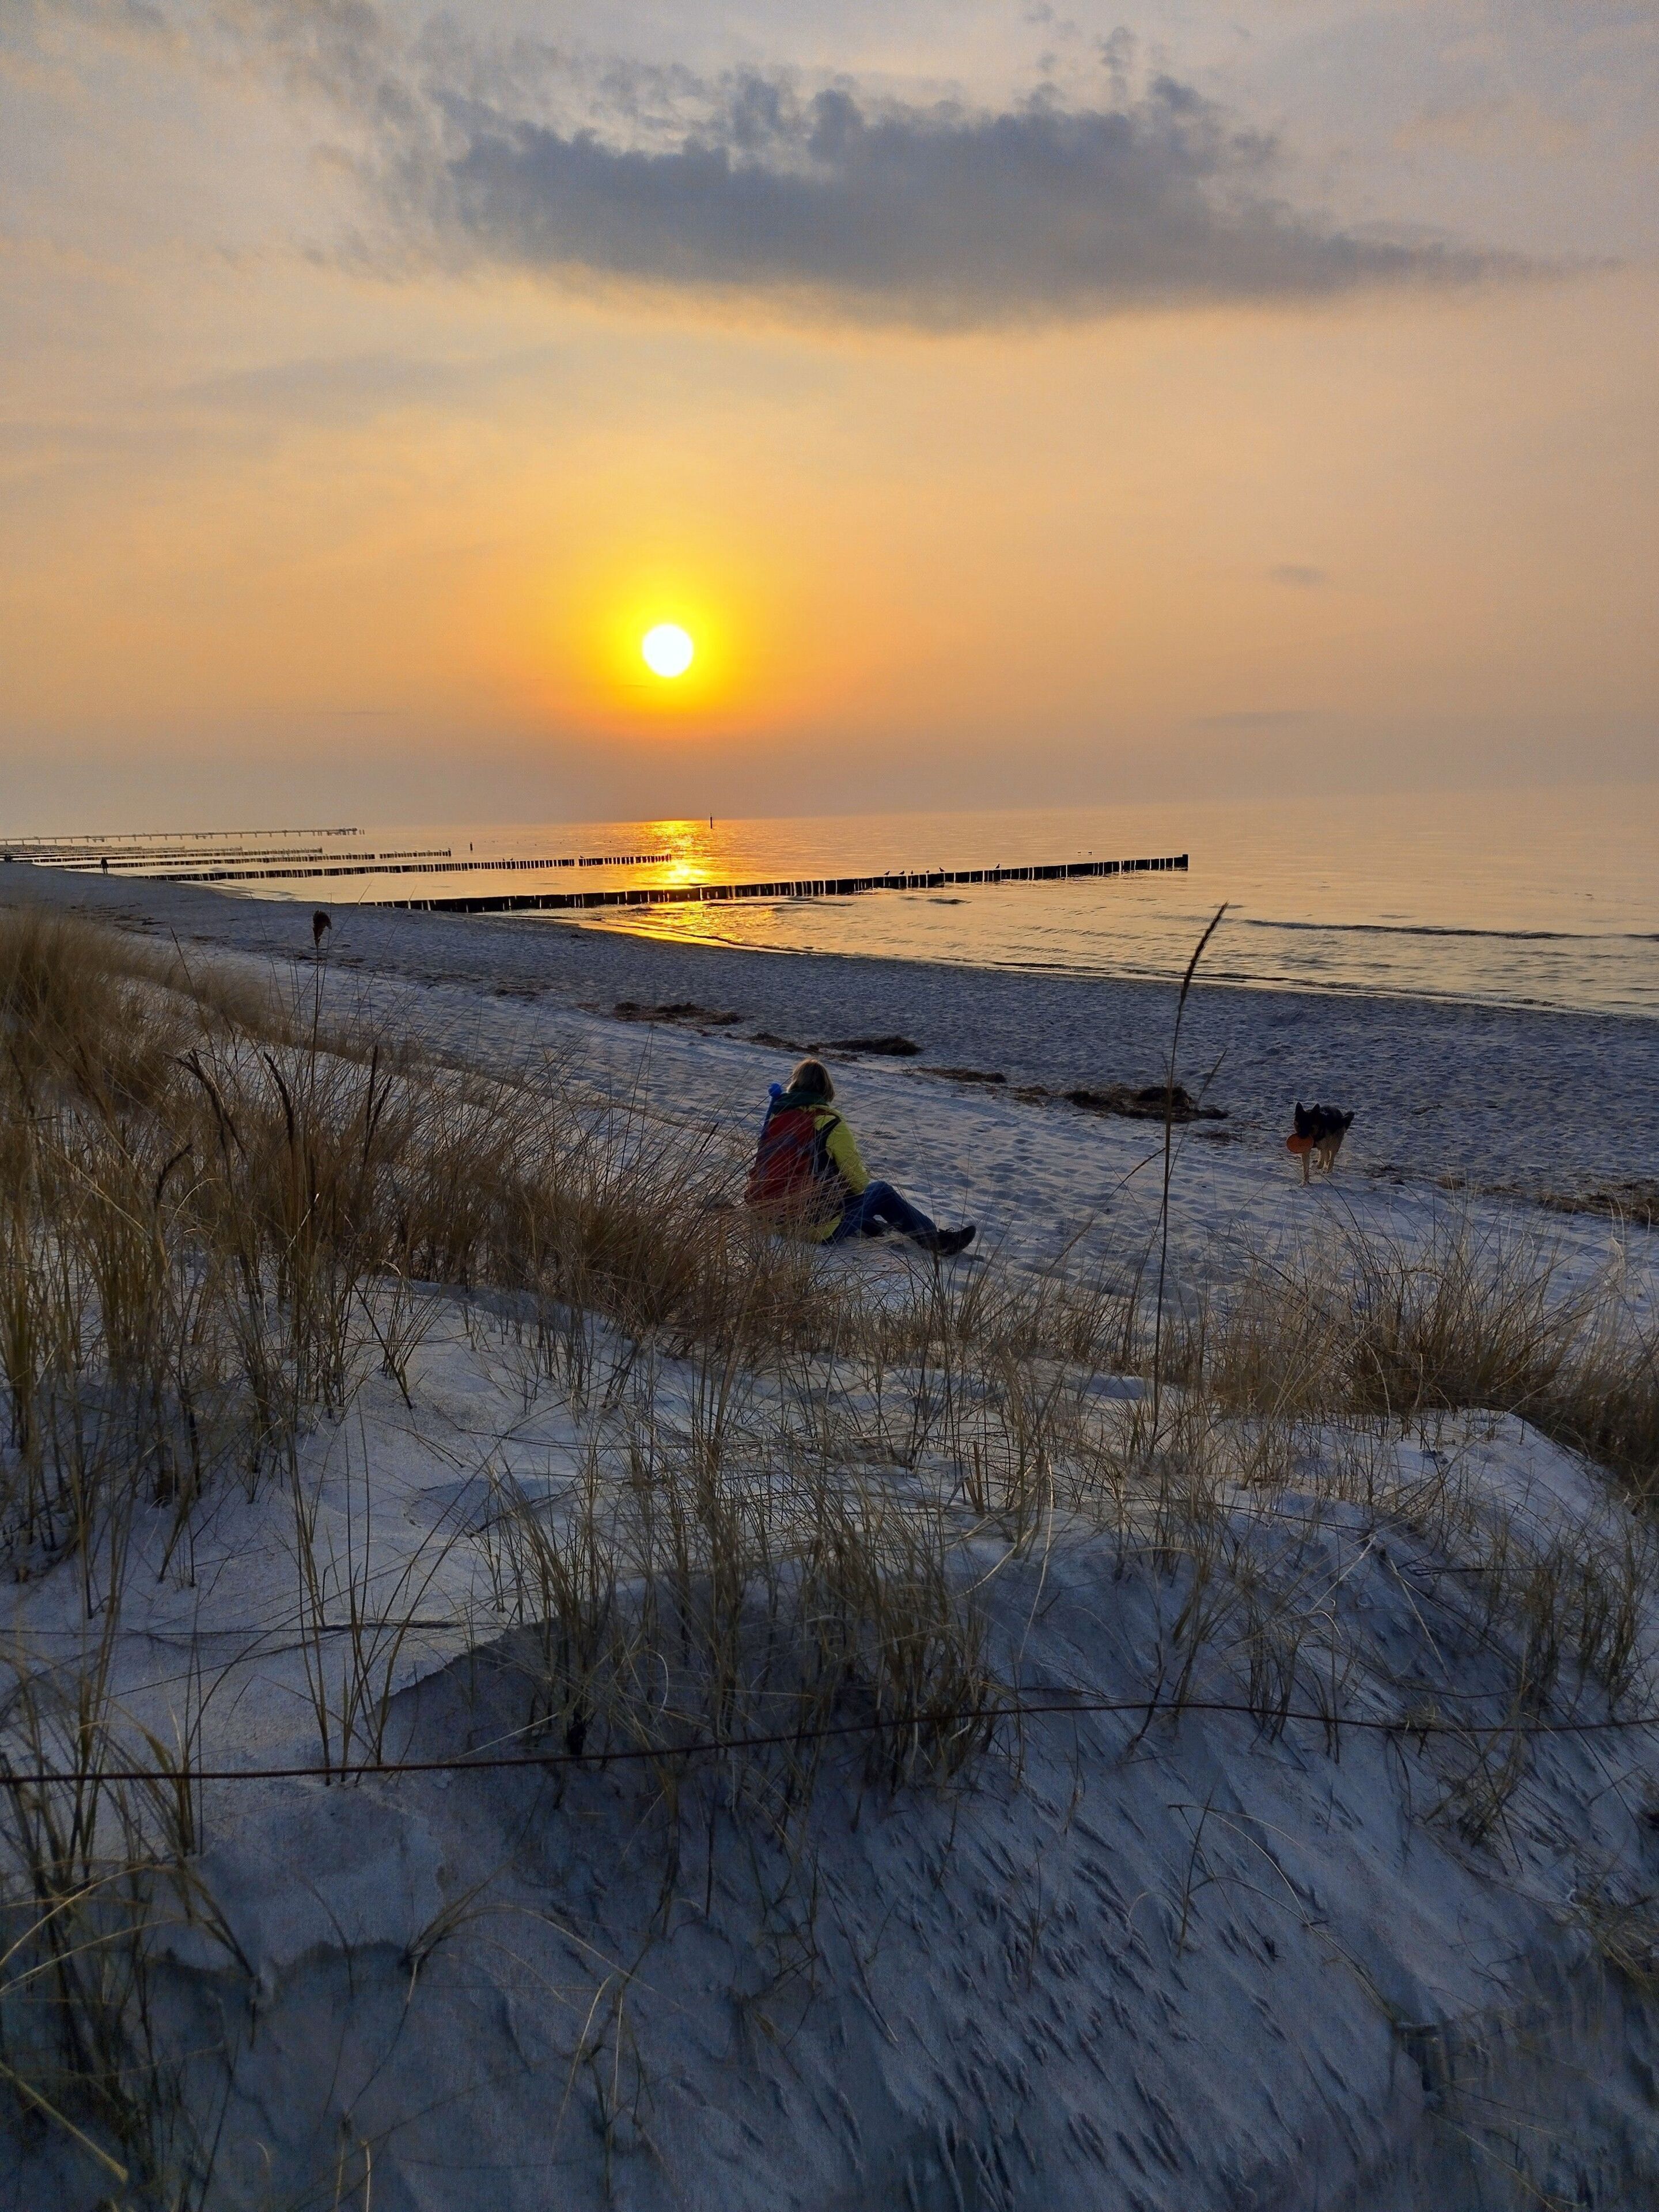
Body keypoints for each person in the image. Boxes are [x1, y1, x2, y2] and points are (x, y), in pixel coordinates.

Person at [745, 1058, 976, 1256]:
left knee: (832, 1179)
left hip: (769, 1217)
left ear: (794, 1086)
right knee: (881, 1192)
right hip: (813, 1228)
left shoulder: (776, 1117)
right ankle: (936, 1242)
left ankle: (869, 1226)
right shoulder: (829, 1122)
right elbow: (858, 1183)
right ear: (827, 1090)